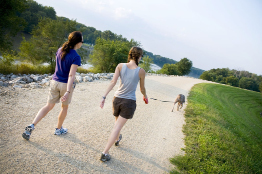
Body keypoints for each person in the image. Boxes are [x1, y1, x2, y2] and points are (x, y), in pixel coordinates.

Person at [22, 31, 83, 140]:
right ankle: (58, 129)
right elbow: (71, 75)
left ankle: (32, 125)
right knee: (64, 107)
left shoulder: (60, 50)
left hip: (54, 82)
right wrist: (68, 91)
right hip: (65, 84)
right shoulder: (76, 56)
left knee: (48, 106)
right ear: (78, 42)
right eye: (82, 41)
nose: (82, 43)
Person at [99, 46, 148, 162]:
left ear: (130, 55)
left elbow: (113, 82)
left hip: (117, 99)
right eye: (141, 56)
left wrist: (104, 96)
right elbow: (142, 88)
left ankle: (117, 139)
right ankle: (104, 153)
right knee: (117, 126)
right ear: (139, 56)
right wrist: (145, 96)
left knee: (117, 124)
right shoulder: (141, 71)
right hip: (129, 102)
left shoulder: (120, 66)